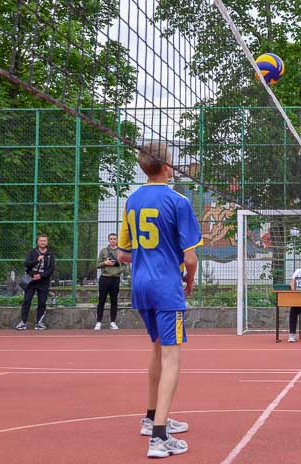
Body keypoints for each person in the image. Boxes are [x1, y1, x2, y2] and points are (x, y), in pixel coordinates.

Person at [117, 143, 202, 458]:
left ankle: (151, 417)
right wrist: (188, 280)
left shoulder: (133, 200)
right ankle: (160, 436)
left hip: (140, 286)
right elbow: (190, 259)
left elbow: (123, 254)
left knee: (156, 348)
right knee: (172, 356)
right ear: (168, 167)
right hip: (166, 287)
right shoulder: (178, 201)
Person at [16, 235, 55, 330]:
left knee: (42, 302)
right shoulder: (32, 252)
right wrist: (36, 260)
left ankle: (39, 322)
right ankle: (23, 322)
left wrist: (41, 276)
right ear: (38, 242)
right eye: (41, 240)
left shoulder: (50, 255)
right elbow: (26, 264)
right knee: (27, 301)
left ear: (47, 242)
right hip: (31, 281)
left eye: (44, 241)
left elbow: (51, 269)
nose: (43, 242)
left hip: (43, 282)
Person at [95, 232, 123, 330]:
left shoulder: (120, 251)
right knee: (101, 300)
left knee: (114, 301)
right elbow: (97, 265)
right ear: (108, 240)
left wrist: (118, 266)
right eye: (111, 239)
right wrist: (105, 263)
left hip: (115, 278)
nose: (113, 240)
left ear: (117, 240)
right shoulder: (103, 251)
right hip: (104, 278)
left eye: (114, 239)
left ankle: (113, 322)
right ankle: (98, 322)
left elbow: (125, 265)